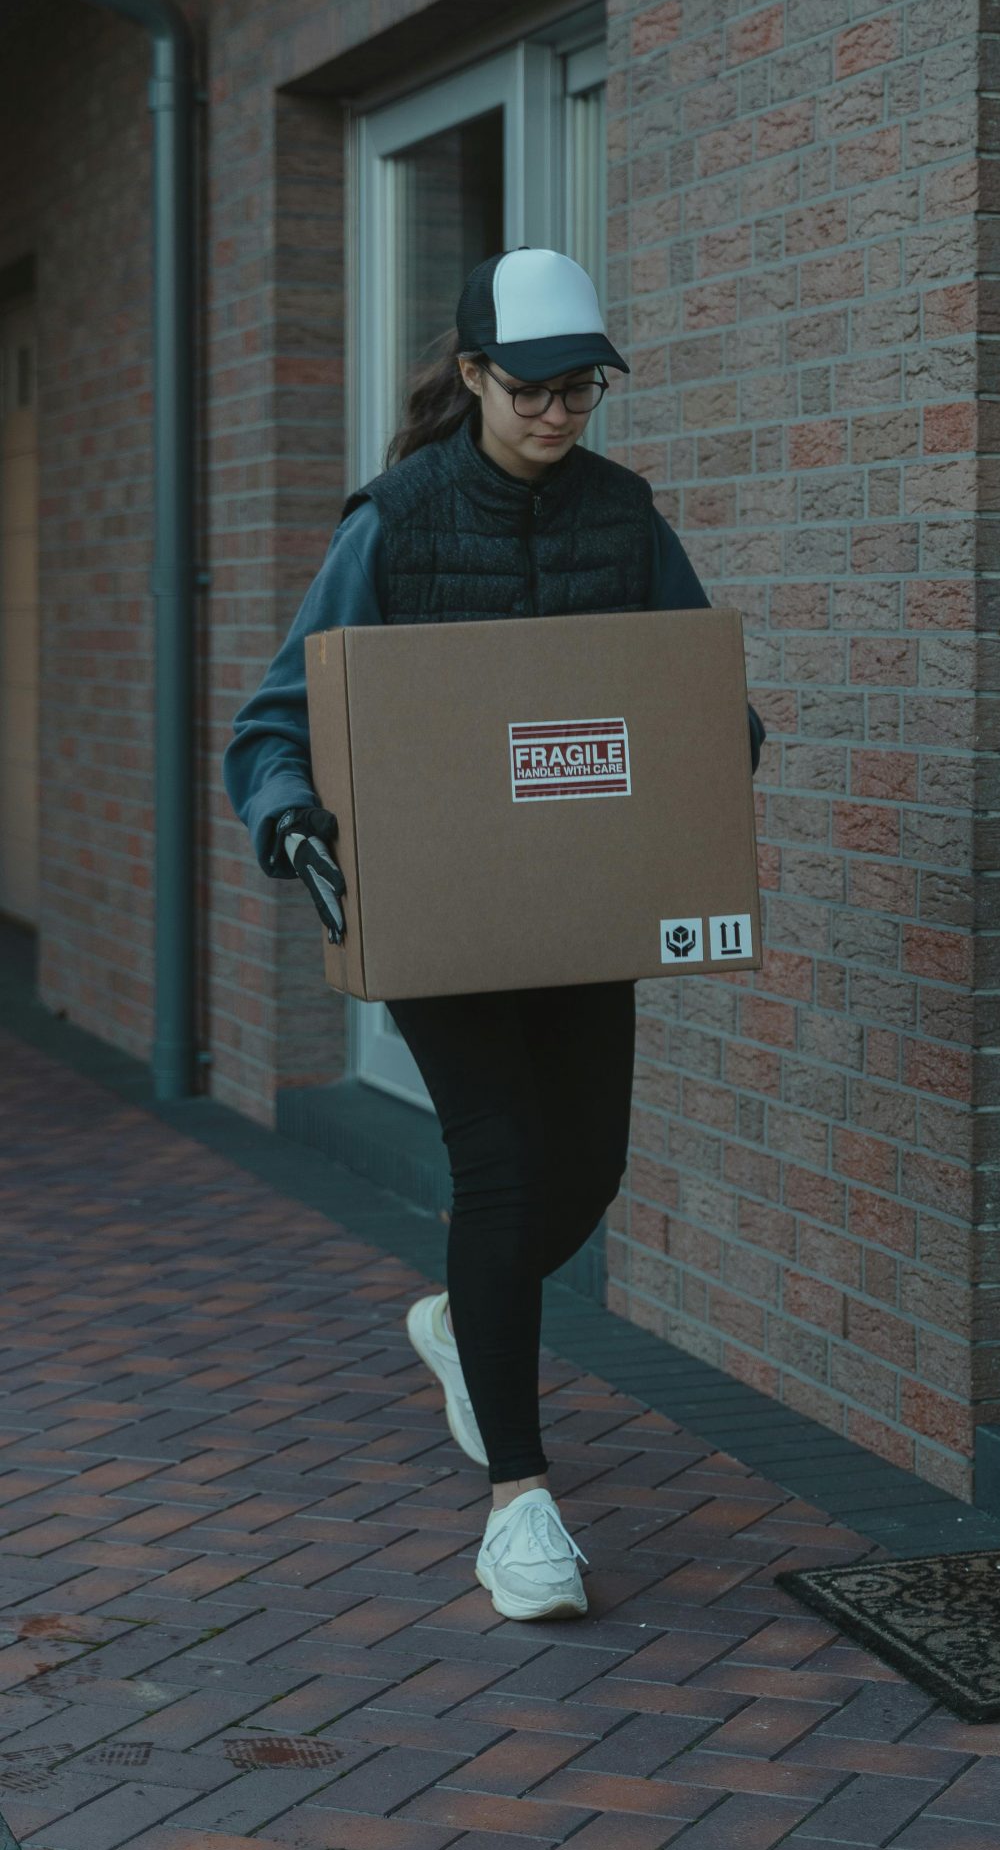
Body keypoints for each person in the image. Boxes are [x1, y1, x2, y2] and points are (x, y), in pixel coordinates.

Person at [222, 247, 763, 1625]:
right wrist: (289, 823)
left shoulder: (626, 518)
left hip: (579, 906)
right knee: (506, 1167)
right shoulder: (394, 524)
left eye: (581, 387)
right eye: (531, 387)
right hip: (440, 911)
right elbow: (277, 722)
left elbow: (696, 691)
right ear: (472, 376)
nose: (557, 412)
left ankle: (465, 1321)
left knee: (591, 1166)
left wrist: (714, 741)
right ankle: (521, 1506)